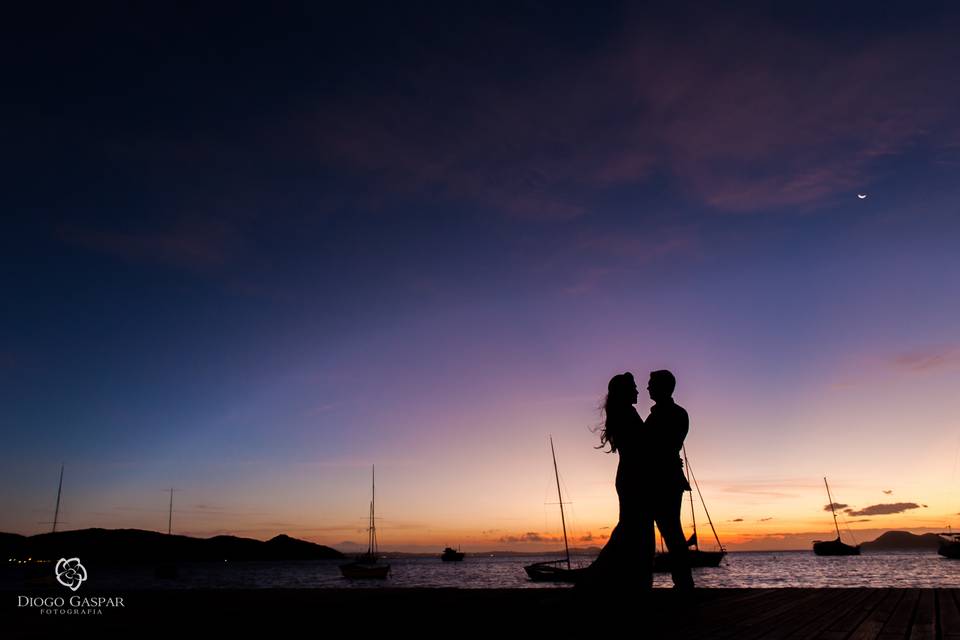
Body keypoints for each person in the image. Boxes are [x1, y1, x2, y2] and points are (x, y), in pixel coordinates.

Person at [577, 371, 651, 591]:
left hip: (630, 476)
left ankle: (618, 582)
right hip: (633, 477)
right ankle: (615, 582)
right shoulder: (626, 415)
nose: (638, 391)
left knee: (632, 530)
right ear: (625, 392)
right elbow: (642, 446)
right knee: (635, 531)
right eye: (634, 387)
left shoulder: (625, 413)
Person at [644, 369, 695, 590]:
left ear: (662, 387)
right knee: (671, 529)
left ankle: (683, 582)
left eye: (651, 383)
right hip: (667, 477)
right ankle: (683, 581)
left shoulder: (671, 414)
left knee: (671, 530)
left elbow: (662, 447)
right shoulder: (672, 413)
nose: (647, 387)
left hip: (664, 479)